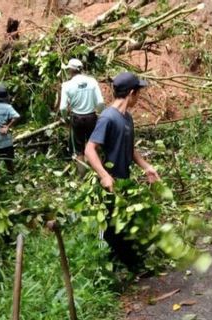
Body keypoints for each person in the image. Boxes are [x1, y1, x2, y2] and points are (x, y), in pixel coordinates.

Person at [85, 72, 160, 271]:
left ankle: (128, 265)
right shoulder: (108, 118)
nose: (139, 98)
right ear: (132, 93)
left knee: (121, 225)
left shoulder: (126, 118)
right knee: (107, 227)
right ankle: (101, 272)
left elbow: (130, 148)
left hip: (123, 181)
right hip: (108, 183)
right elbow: (89, 149)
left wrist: (147, 167)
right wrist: (104, 175)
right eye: (139, 94)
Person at [59, 58, 105, 176]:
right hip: (91, 117)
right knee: (94, 146)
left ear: (70, 70)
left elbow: (63, 107)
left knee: (79, 150)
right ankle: (99, 175)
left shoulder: (67, 85)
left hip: (77, 119)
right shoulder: (92, 81)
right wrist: (98, 113)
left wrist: (65, 118)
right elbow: (100, 102)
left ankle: (82, 176)